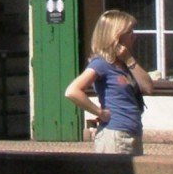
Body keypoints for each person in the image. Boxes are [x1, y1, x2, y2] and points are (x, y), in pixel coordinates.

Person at [65, 11, 152, 155]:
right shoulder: (101, 63)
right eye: (129, 32)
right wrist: (99, 112)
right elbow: (72, 91)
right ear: (116, 36)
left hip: (132, 133)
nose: (134, 36)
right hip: (115, 135)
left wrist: (129, 59)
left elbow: (148, 87)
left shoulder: (125, 64)